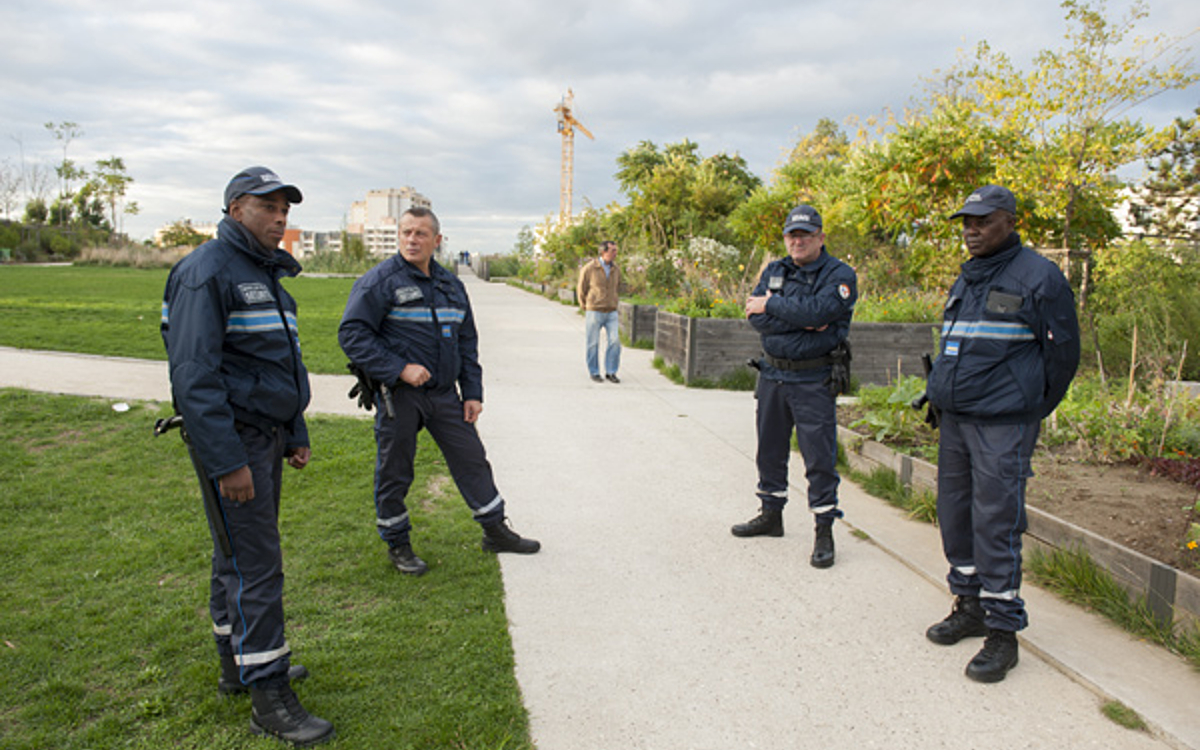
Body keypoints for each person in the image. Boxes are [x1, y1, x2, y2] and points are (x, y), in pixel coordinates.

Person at [161, 166, 334, 745]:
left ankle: (239, 664)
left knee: (234, 557)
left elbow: (277, 365)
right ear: (236, 210)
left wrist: (296, 430)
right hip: (234, 441)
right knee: (257, 564)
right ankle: (269, 693)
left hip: (266, 435)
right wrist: (227, 460)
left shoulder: (264, 274)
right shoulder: (205, 272)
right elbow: (194, 378)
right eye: (268, 207)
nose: (281, 217)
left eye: (286, 208)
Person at [923, 185, 1080, 683]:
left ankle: (1003, 633)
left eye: (982, 221)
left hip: (1002, 425)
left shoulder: (1040, 277)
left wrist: (1029, 406)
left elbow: (1063, 357)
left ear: (1009, 221)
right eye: (966, 222)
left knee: (996, 523)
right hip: (957, 423)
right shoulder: (970, 276)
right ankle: (969, 607)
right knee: (955, 517)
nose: (970, 231)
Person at [339, 207, 540, 576]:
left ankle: (495, 530)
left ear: (437, 240)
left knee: (472, 459)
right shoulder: (380, 281)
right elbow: (352, 334)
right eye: (405, 233)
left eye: (420, 233)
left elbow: (467, 341)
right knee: (395, 469)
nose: (412, 240)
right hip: (399, 395)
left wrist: (473, 393)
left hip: (445, 395)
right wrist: (399, 368)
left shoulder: (450, 284)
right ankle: (398, 542)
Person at [732, 204, 857, 569]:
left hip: (813, 378)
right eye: (792, 235)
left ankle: (823, 530)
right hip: (773, 375)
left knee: (819, 458)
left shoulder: (840, 274)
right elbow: (756, 319)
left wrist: (772, 305)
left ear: (820, 237)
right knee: (769, 450)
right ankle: (771, 515)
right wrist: (795, 317)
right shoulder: (775, 269)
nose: (797, 241)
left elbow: (820, 313)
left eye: (805, 235)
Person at [577, 240, 622, 383]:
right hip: (594, 311)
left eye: (616, 250)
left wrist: (615, 301)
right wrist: (585, 305)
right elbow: (581, 288)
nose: (615, 253)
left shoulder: (616, 269)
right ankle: (594, 372)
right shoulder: (590, 268)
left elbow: (619, 286)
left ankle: (611, 372)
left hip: (611, 312)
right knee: (593, 343)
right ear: (604, 252)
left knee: (615, 341)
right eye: (613, 250)